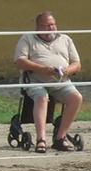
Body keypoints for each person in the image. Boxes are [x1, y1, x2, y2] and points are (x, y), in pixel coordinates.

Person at [13, 11, 83, 152]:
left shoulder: (65, 39)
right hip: (35, 81)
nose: (49, 28)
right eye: (44, 26)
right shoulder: (27, 39)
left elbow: (77, 63)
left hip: (61, 80)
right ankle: (41, 139)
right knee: (41, 97)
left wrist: (67, 71)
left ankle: (60, 138)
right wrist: (42, 69)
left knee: (76, 98)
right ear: (37, 27)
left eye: (52, 25)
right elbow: (20, 61)